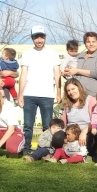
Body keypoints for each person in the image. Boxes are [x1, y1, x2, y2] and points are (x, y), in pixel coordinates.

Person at [18, 25, 61, 155]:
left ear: (45, 37)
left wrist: (59, 92)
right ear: (32, 38)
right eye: (36, 37)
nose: (39, 40)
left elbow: (57, 74)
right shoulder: (27, 54)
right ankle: (26, 147)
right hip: (29, 94)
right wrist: (20, 95)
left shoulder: (53, 54)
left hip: (47, 94)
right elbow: (23, 75)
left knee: (48, 125)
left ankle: (46, 148)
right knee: (28, 125)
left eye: (41, 37)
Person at [60, 78, 97, 160]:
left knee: (92, 137)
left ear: (79, 88)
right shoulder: (67, 104)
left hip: (86, 132)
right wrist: (65, 136)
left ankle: (88, 153)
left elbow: (95, 120)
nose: (71, 92)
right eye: (68, 90)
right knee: (57, 137)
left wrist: (84, 132)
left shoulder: (90, 100)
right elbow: (64, 123)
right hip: (70, 132)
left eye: (73, 89)